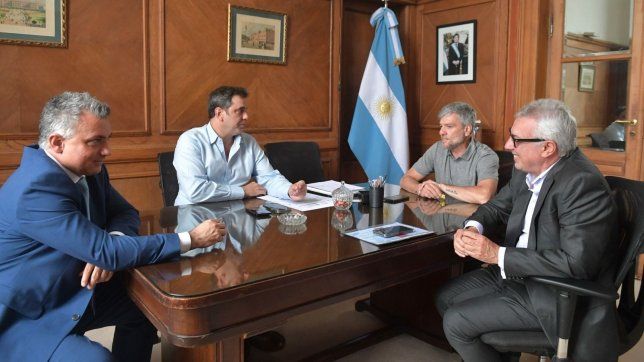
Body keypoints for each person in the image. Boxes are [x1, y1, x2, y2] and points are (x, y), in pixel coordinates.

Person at [0, 92, 227, 362]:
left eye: (107, 139)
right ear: (57, 143)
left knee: (151, 309)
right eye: (96, 141)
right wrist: (190, 238)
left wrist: (111, 240)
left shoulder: (89, 169)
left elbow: (125, 213)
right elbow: (106, 251)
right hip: (31, 315)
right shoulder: (34, 189)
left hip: (75, 288)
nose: (107, 150)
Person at [435, 99, 618, 362]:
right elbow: (496, 206)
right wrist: (473, 228)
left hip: (553, 291)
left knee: (456, 322)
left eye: (517, 140)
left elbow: (577, 264)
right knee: (445, 297)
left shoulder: (581, 183)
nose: (508, 146)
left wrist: (497, 255)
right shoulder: (527, 170)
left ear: (547, 147)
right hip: (517, 272)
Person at [173, 86, 307, 206]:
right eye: (240, 111)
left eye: (245, 111)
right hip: (194, 218)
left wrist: (289, 190)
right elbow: (196, 190)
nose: (246, 116)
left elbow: (268, 178)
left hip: (236, 215)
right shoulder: (190, 141)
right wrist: (243, 191)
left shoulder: (249, 141)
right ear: (219, 114)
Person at [400, 102, 499, 205]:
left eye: (449, 126)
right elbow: (405, 179)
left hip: (472, 219)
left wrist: (442, 187)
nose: (441, 132)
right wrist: (420, 188)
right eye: (441, 126)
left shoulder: (486, 156)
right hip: (442, 214)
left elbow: (484, 196)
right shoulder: (437, 149)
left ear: (467, 130)